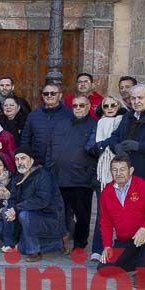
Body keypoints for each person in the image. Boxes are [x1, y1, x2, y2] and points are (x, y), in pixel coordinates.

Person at [92, 84, 145, 238]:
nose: (136, 101)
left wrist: (139, 146)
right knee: (130, 214)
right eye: (133, 98)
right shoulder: (128, 117)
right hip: (129, 175)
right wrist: (115, 146)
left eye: (140, 98)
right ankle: (130, 246)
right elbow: (116, 135)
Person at [49, 95, 98, 254]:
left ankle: (80, 244)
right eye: (75, 105)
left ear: (88, 106)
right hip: (59, 177)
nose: (78, 108)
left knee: (82, 215)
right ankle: (63, 240)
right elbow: (51, 146)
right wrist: (50, 166)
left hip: (81, 180)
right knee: (60, 213)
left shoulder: (95, 125)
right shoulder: (62, 124)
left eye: (81, 105)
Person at [98, 155, 145, 273]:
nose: (118, 173)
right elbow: (105, 222)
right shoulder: (106, 192)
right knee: (104, 269)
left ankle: (143, 272)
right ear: (111, 172)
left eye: (122, 169)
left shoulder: (144, 186)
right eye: (115, 170)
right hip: (125, 241)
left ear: (131, 170)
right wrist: (107, 246)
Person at [3, 150, 64, 262]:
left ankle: (35, 251)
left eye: (23, 158)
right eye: (16, 159)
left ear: (31, 160)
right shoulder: (17, 176)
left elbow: (42, 201)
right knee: (6, 211)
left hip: (49, 216)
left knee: (24, 215)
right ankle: (10, 245)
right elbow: (13, 198)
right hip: (29, 214)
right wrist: (12, 209)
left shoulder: (43, 175)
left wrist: (16, 209)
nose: (19, 162)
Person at [89, 94, 125, 262]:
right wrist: (99, 146)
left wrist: (107, 144)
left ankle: (121, 250)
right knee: (103, 213)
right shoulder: (99, 123)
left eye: (113, 105)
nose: (110, 108)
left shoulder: (125, 121)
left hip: (122, 172)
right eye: (106, 106)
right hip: (102, 173)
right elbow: (91, 146)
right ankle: (98, 248)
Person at [20, 83, 73, 166]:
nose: (49, 96)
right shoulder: (33, 115)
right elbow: (25, 138)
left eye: (53, 93)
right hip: (38, 163)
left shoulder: (69, 114)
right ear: (42, 96)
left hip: (62, 164)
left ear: (60, 96)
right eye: (46, 93)